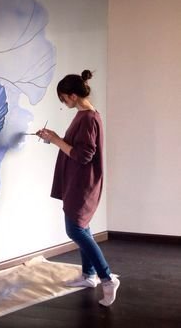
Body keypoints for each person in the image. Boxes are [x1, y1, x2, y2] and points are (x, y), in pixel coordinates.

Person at [36, 69, 120, 307]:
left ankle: (107, 278)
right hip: (77, 180)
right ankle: (89, 275)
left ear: (73, 95)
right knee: (83, 226)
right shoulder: (84, 115)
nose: (63, 103)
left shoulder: (89, 118)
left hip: (83, 182)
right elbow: (76, 146)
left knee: (75, 229)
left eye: (63, 98)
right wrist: (54, 137)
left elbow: (83, 156)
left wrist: (55, 140)